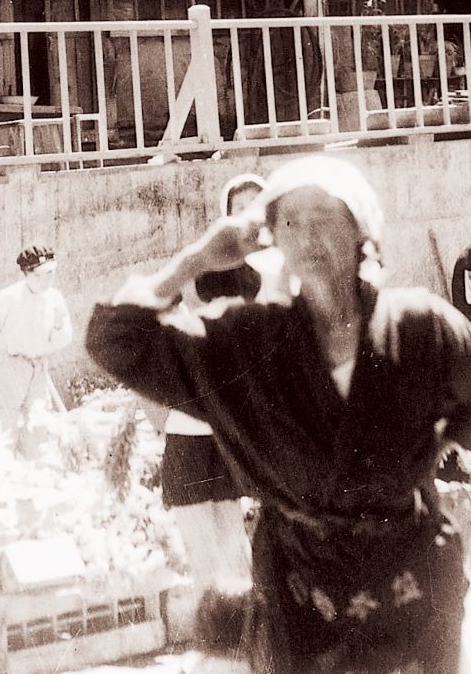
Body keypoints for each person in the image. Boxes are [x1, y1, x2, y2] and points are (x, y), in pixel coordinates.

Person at [87, 154, 471, 674]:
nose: (309, 235)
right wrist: (197, 259)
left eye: (325, 219)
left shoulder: (418, 323)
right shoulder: (245, 340)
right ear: (272, 240)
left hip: (408, 567)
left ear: (361, 232)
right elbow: (117, 342)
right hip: (301, 581)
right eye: (290, 221)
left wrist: (440, 445)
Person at [160, 173, 265, 613]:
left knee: (234, 526)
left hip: (247, 422)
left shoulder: (283, 270)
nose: (249, 218)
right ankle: (219, 628)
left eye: (257, 207)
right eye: (239, 210)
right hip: (194, 418)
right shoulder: (203, 264)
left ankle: (244, 631)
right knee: (203, 523)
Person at [0, 245, 73, 451]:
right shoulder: (10, 296)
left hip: (38, 368)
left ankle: (32, 472)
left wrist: (58, 326)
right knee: (8, 426)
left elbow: (62, 340)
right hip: (12, 365)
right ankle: (6, 472)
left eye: (50, 274)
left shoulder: (54, 298)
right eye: (39, 276)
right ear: (25, 274)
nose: (46, 281)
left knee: (38, 423)